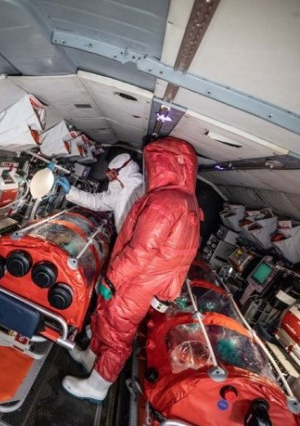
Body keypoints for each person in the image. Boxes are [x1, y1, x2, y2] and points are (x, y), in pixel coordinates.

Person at [61, 137, 202, 402]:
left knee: (117, 333)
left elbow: (141, 251)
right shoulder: (187, 202)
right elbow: (183, 257)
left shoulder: (163, 201)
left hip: (134, 280)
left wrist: (112, 279)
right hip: (142, 280)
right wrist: (166, 294)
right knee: (105, 319)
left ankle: (98, 386)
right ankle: (90, 358)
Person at [56, 153, 144, 233]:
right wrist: (71, 191)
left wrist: (71, 192)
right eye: (109, 173)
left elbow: (96, 202)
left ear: (123, 171)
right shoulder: (125, 187)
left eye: (112, 173)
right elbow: (97, 201)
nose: (110, 177)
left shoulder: (133, 188)